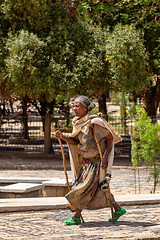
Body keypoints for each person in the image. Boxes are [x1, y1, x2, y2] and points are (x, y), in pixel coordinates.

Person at [55, 96, 126, 225]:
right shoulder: (78, 123)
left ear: (86, 107)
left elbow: (109, 138)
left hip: (96, 162)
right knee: (98, 189)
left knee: (84, 188)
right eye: (74, 106)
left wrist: (105, 158)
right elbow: (76, 141)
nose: (74, 109)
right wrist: (63, 137)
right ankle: (118, 209)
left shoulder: (95, 122)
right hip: (86, 163)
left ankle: (76, 217)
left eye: (78, 106)